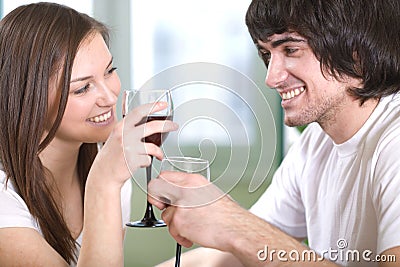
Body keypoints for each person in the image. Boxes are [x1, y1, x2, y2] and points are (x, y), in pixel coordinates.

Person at [148, 0, 400, 266]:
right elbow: (234, 257)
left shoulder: (394, 144)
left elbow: (249, 238)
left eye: (291, 49)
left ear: (356, 50)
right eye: (268, 55)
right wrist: (232, 228)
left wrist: (237, 226)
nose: (271, 77)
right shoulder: (314, 146)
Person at [0, 3, 177, 267]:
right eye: (82, 88)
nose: (110, 96)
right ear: (30, 100)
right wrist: (103, 183)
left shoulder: (106, 167)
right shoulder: (4, 196)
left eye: (109, 71)